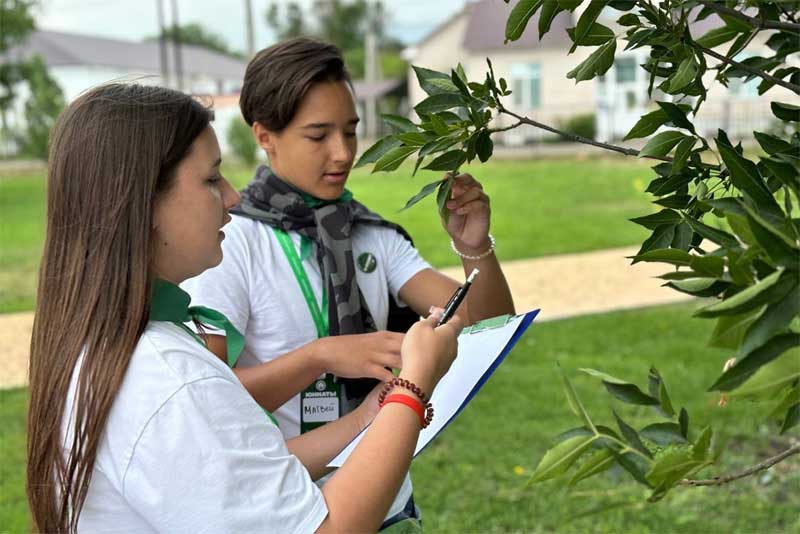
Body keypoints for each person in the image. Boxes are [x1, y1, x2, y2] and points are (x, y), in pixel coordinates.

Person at [25, 82, 463, 533]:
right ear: (144, 202)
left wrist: (369, 415)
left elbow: (246, 473)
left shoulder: (123, 344)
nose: (233, 197)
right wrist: (412, 388)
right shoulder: (169, 377)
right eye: (212, 178)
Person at [181, 37, 515, 526]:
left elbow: (489, 323)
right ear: (264, 135)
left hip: (389, 500)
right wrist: (321, 355)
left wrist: (473, 246)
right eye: (318, 136)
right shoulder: (230, 243)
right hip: (290, 510)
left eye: (351, 132)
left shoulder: (367, 233)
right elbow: (209, 401)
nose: (342, 154)